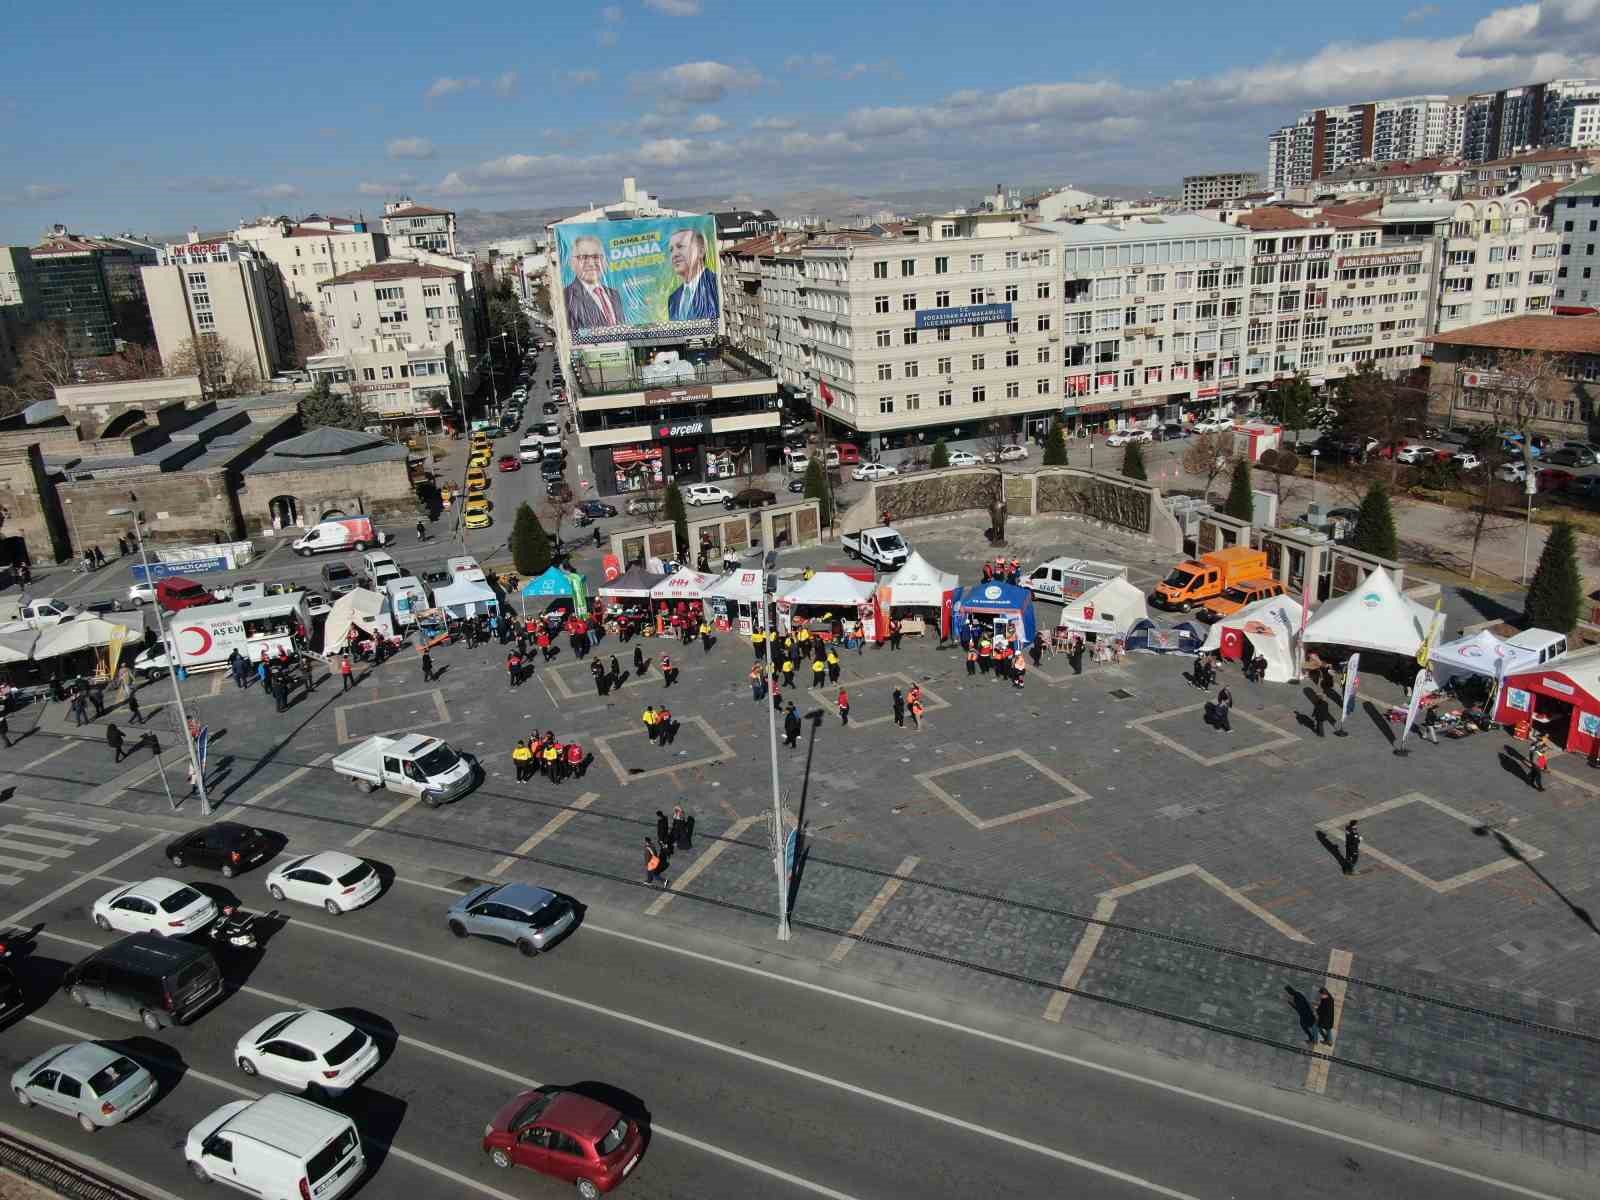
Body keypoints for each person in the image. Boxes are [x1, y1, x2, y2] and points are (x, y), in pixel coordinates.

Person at [564, 234, 626, 331]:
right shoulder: (567, 296)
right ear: (572, 263)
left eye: (596, 257)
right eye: (584, 257)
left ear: (605, 261)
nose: (592, 263)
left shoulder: (614, 294)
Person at [666, 227, 720, 321]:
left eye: (680, 246)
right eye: (671, 250)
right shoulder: (673, 299)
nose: (674, 254)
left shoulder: (716, 284)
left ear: (701, 251)